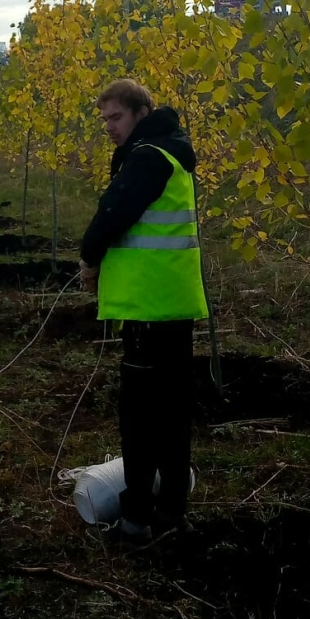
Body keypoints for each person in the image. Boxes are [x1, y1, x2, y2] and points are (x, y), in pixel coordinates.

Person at [77, 79, 208, 545]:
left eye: (116, 118)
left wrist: (89, 258)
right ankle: (173, 512)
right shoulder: (171, 154)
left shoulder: (149, 157)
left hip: (148, 311)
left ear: (140, 113)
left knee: (140, 419)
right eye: (105, 120)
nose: (109, 128)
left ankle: (135, 522)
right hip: (172, 307)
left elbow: (111, 215)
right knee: (172, 415)